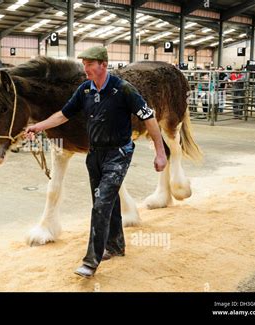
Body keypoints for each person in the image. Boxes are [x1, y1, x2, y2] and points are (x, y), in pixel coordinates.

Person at [25, 46, 167, 278]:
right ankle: (116, 245)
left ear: (103, 64)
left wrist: (160, 153)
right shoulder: (85, 90)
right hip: (95, 154)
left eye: (89, 64)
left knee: (101, 204)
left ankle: (92, 259)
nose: (85, 68)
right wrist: (38, 126)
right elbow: (63, 114)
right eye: (83, 64)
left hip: (118, 153)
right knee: (108, 204)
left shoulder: (123, 89)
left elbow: (148, 117)